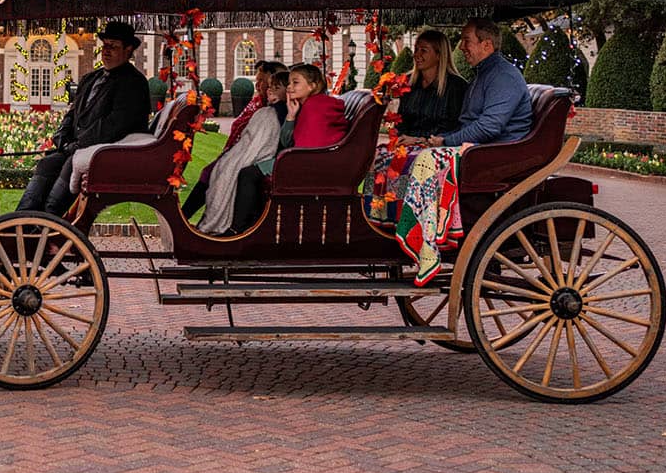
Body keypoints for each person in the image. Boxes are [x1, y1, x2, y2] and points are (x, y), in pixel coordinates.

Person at [393, 17, 534, 283]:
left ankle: (426, 239)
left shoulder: (502, 76)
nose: (462, 47)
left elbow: (490, 127)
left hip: (494, 155)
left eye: (467, 41)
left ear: (487, 44)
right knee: (401, 160)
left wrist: (444, 142)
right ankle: (400, 220)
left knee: (425, 161)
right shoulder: (484, 75)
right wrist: (439, 139)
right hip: (479, 150)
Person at [18, 21, 152, 216]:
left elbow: (113, 126)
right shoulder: (91, 78)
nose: (106, 51)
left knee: (68, 165)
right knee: (47, 163)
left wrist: (78, 144)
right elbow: (72, 113)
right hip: (78, 147)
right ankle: (22, 219)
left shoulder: (133, 83)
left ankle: (49, 220)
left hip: (104, 152)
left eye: (113, 47)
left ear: (128, 49)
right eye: (105, 45)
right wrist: (61, 136)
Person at [228, 63, 350, 233]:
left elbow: (307, 146)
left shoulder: (317, 107)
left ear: (312, 86)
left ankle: (239, 229)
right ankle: (253, 226)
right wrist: (291, 116)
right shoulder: (303, 105)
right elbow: (288, 141)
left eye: (295, 83)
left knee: (248, 174)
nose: (290, 87)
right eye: (290, 83)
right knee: (250, 170)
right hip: (298, 157)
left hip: (310, 162)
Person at [362, 29, 469, 218]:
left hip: (437, 145)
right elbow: (403, 119)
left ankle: (404, 214)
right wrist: (401, 137)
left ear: (438, 54)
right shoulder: (410, 83)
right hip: (410, 141)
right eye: (416, 49)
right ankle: (376, 211)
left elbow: (451, 126)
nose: (417, 55)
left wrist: (420, 139)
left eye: (423, 50)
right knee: (378, 156)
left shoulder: (456, 86)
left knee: (409, 162)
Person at [181, 60, 286, 219]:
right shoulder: (258, 102)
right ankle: (191, 218)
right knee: (212, 171)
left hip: (257, 156)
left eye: (262, 81)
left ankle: (197, 219)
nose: (257, 85)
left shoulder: (275, 108)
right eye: (256, 81)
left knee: (216, 173)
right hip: (240, 152)